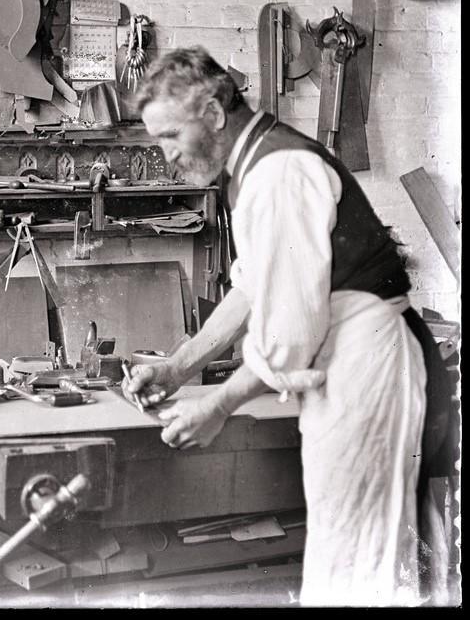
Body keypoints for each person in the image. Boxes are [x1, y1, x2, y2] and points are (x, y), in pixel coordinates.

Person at [124, 46, 452, 607]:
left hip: (365, 367)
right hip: (345, 369)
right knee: (345, 548)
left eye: (170, 136)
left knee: (363, 560)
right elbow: (253, 288)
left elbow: (290, 336)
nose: (167, 155)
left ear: (213, 112)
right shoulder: (255, 164)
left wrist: (220, 404)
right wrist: (179, 367)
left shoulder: (277, 171)